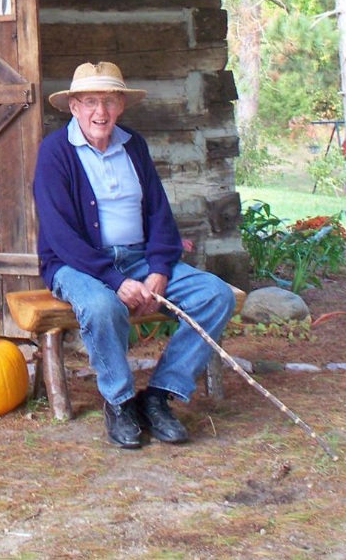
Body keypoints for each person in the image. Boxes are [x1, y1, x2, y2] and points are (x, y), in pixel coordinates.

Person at [33, 62, 236, 449]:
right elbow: (60, 234)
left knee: (216, 295)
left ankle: (158, 396)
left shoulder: (134, 145)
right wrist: (115, 280)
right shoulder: (55, 152)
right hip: (77, 264)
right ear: (74, 106)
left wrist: (159, 268)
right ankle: (120, 401)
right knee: (102, 307)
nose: (100, 112)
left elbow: (159, 213)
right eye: (90, 101)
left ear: (121, 105)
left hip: (140, 258)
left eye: (109, 101)